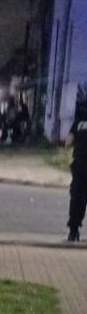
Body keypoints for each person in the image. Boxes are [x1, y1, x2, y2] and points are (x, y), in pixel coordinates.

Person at [65, 102, 87, 242]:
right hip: (80, 166)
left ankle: (73, 231)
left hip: (79, 166)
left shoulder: (79, 122)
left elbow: (68, 143)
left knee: (77, 199)